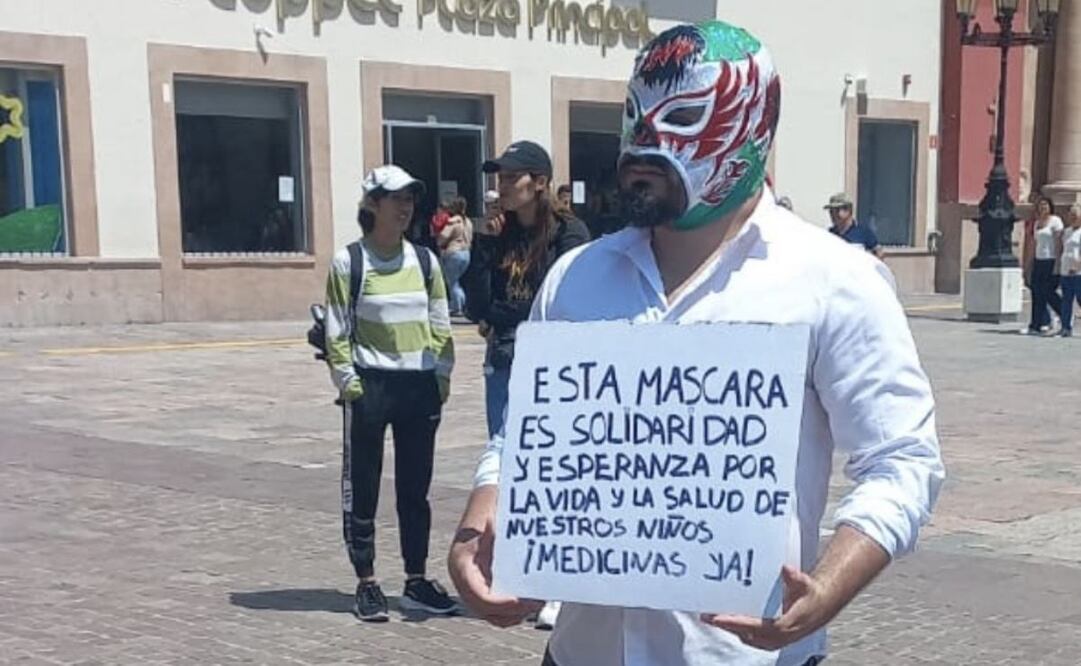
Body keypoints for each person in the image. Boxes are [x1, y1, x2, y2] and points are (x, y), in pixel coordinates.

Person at [448, 20, 944, 666]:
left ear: (750, 124)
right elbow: (524, 438)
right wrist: (477, 526)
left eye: (679, 116)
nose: (643, 144)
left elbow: (903, 461)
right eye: (634, 116)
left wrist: (827, 587)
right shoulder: (577, 278)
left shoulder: (834, 281)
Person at [324, 165, 457, 622]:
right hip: (372, 385)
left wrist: (440, 377)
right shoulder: (349, 262)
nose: (405, 206)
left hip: (418, 386)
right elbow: (337, 327)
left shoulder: (425, 260)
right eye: (396, 197)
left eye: (410, 198)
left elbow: (441, 322)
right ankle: (366, 581)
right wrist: (350, 383)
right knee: (364, 485)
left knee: (414, 490)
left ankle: (416, 580)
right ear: (373, 204)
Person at [462, 140, 590, 440]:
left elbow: (561, 303)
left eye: (511, 177)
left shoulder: (568, 233)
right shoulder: (500, 232)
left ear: (540, 183)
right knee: (502, 448)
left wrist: (501, 314)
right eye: (500, 178)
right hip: (504, 356)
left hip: (554, 362)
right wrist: (485, 242)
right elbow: (476, 306)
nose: (502, 186)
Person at [1024, 195, 1064, 335]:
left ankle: (1064, 314)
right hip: (1039, 260)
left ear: (1050, 207)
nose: (1043, 207)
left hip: (1050, 260)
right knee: (1036, 293)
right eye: (1041, 205)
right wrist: (1028, 265)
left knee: (1048, 292)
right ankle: (1035, 325)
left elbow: (1058, 244)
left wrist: (1058, 264)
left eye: (1045, 205)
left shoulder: (1056, 221)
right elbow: (1034, 245)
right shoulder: (1036, 223)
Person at [438, 196, 473, 316]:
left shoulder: (453, 221)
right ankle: (463, 305)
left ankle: (457, 307)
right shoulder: (468, 221)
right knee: (458, 281)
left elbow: (443, 236)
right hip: (466, 253)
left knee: (452, 282)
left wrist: (440, 242)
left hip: (454, 253)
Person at [824, 193, 883, 259]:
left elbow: (878, 253)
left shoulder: (864, 233)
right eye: (831, 211)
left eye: (836, 211)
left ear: (848, 210)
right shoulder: (829, 234)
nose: (833, 215)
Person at [1059, 203, 1081, 337]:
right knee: (1066, 300)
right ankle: (1066, 327)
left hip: (1078, 271)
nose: (1073, 218)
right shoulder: (1066, 232)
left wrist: (1077, 266)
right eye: (1071, 215)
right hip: (1065, 269)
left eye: (1076, 215)